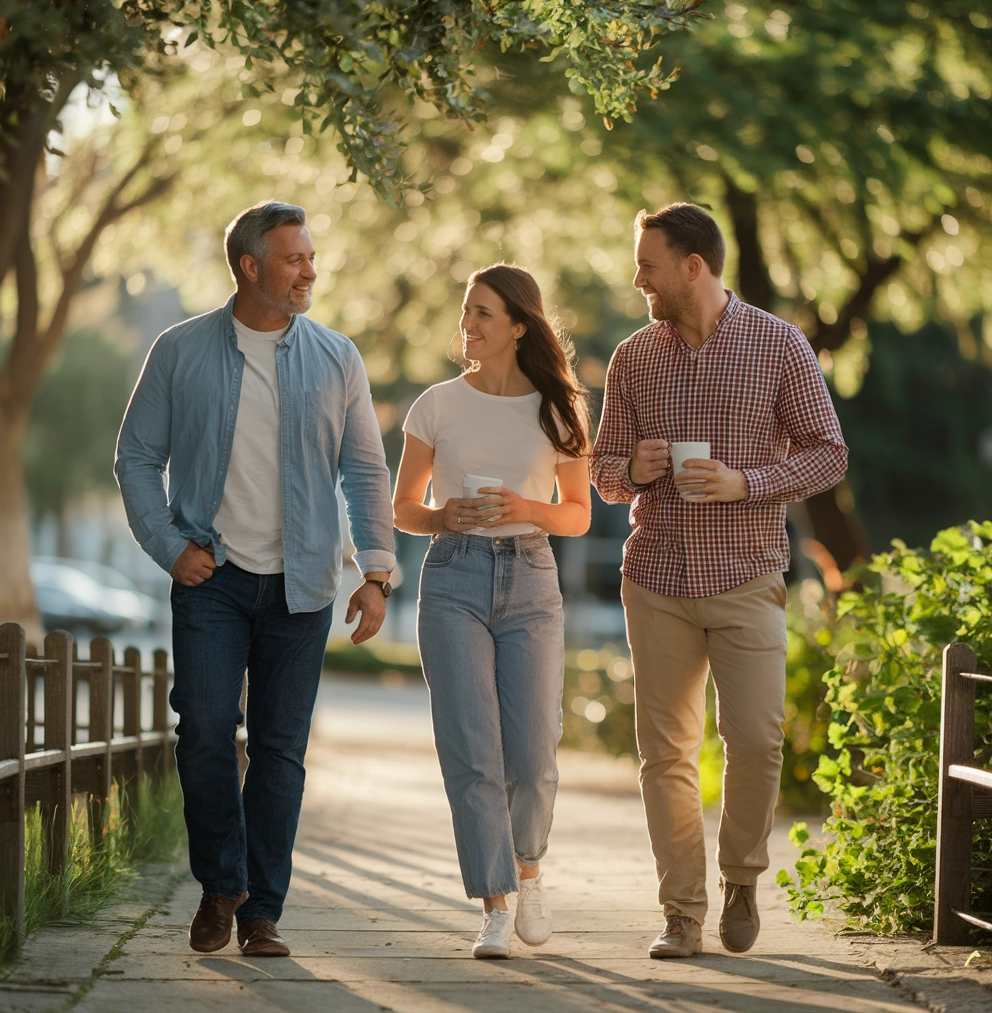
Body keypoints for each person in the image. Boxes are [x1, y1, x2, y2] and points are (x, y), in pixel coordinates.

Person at [115, 201, 395, 958]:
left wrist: (376, 571)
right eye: (295, 257)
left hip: (302, 586)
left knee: (279, 750)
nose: (311, 269)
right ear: (250, 265)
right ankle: (221, 884)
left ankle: (261, 912)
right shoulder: (180, 351)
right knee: (204, 731)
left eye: (310, 256)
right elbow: (137, 457)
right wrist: (169, 546)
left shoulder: (338, 357)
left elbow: (366, 469)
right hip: (213, 579)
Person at [591, 203, 848, 959]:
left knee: (757, 740)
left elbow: (828, 454)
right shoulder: (634, 356)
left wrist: (748, 483)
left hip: (747, 576)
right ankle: (681, 913)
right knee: (665, 754)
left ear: (692, 266)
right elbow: (602, 472)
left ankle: (740, 878)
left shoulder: (779, 345)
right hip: (658, 577)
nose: (638, 278)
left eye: (648, 265)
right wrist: (629, 469)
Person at [393, 263, 591, 959]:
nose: (467, 324)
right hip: (452, 577)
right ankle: (495, 905)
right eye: (466, 311)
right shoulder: (436, 406)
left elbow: (575, 517)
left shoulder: (559, 409)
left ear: (517, 326)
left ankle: (529, 871)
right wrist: (445, 515)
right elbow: (404, 508)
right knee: (472, 752)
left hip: (531, 578)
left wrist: (524, 508)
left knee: (533, 755)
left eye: (482, 313)